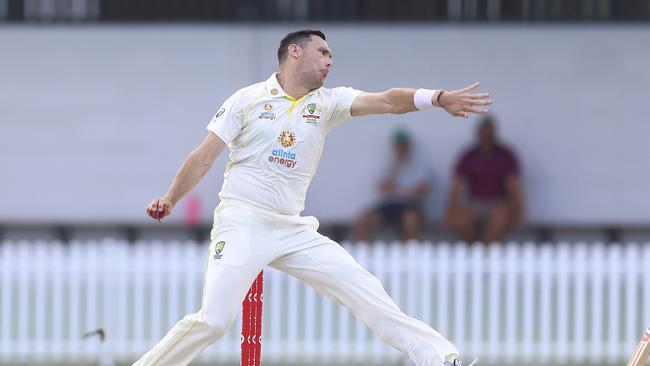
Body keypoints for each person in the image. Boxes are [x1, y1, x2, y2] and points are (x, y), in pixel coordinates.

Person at [137, 29, 491, 366]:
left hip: (292, 229)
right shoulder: (247, 99)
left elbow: (388, 101)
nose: (329, 61)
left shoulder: (327, 102)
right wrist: (170, 198)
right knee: (213, 321)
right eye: (323, 52)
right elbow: (204, 156)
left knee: (363, 287)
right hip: (242, 221)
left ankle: (440, 358)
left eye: (331, 56)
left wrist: (439, 98)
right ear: (295, 51)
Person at [444, 116, 523, 243]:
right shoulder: (469, 156)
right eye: (483, 135)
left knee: (500, 219)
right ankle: (474, 248)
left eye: (489, 135)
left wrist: (518, 212)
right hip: (475, 203)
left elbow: (513, 186)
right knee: (461, 219)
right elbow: (456, 186)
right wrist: (449, 211)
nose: (486, 138)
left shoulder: (505, 156)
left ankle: (488, 251)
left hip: (498, 203)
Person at [353, 129, 429, 241]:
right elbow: (382, 188)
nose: (401, 149)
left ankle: (409, 253)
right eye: (398, 145)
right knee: (363, 219)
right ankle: (365, 252)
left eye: (403, 145)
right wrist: (397, 167)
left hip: (409, 205)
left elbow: (420, 191)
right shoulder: (389, 164)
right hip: (390, 204)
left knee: (410, 220)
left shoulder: (420, 165)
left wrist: (396, 190)